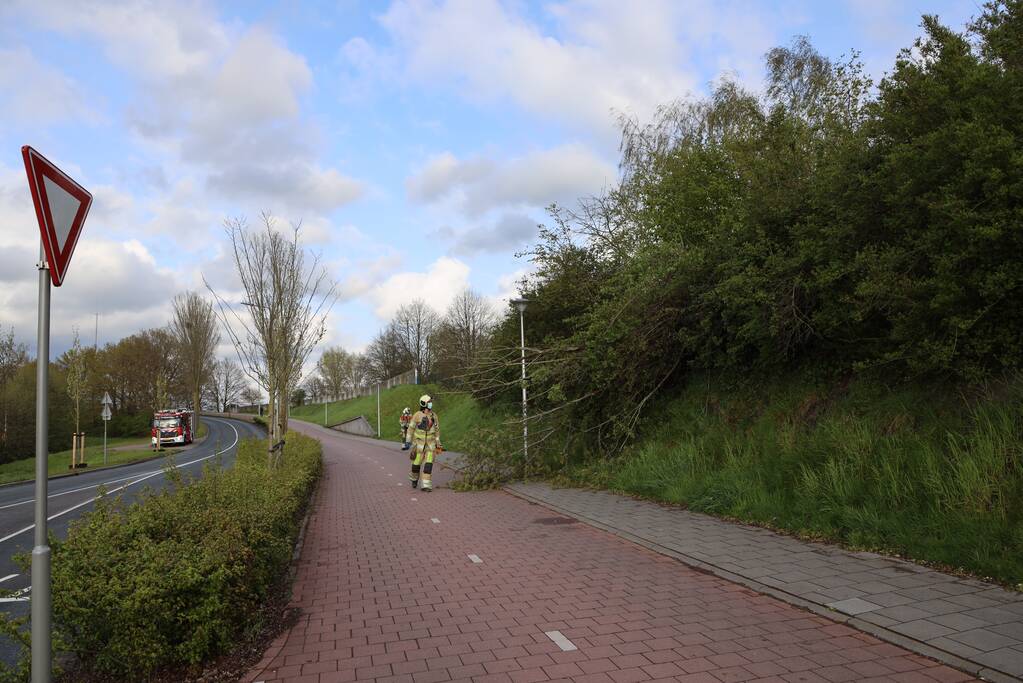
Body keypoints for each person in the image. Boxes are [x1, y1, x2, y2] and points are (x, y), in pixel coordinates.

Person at [408, 394, 441, 491]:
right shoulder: (417, 415)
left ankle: (426, 485)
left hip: (430, 445)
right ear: (424, 404)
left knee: (428, 465)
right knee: (416, 465)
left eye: (431, 402)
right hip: (419, 446)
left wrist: (438, 443)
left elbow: (437, 430)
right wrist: (408, 441)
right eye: (429, 402)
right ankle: (414, 479)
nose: (431, 404)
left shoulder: (434, 416)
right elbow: (411, 428)